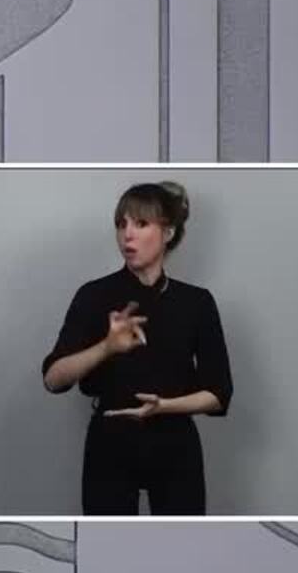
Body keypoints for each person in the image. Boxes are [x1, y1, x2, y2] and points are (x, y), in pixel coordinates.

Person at [40, 181, 233, 515]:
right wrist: (107, 347)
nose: (127, 235)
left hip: (175, 443)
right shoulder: (94, 295)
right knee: (109, 541)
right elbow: (53, 379)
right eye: (121, 224)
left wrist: (164, 406)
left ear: (168, 232)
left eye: (141, 224)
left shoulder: (196, 302)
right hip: (110, 442)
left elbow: (219, 393)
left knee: (181, 541)